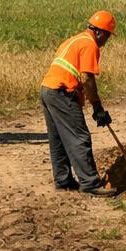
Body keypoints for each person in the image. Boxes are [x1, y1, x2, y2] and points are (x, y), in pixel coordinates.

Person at [39, 10, 118, 196]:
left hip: (47, 90)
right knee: (79, 137)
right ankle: (90, 183)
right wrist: (97, 107)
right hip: (61, 92)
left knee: (58, 139)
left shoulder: (76, 39)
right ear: (100, 32)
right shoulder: (90, 45)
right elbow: (87, 79)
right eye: (107, 36)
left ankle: (63, 180)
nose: (106, 41)